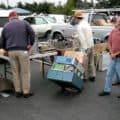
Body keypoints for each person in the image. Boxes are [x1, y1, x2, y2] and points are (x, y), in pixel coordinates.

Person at [0, 11, 35, 98]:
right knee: (25, 72)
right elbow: (32, 33)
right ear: (17, 16)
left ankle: (18, 91)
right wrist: (31, 43)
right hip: (23, 50)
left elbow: (2, 41)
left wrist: (5, 49)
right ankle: (26, 92)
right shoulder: (24, 23)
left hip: (11, 52)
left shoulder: (6, 26)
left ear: (10, 18)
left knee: (15, 72)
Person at [99, 17, 120, 98]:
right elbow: (109, 43)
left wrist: (115, 54)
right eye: (117, 22)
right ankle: (106, 90)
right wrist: (111, 53)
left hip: (118, 58)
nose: (117, 24)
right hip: (112, 58)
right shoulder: (113, 31)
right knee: (109, 75)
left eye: (118, 23)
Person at [72, 11, 96, 82]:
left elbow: (82, 39)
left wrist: (84, 50)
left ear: (77, 18)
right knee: (91, 62)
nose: (74, 20)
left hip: (85, 46)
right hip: (91, 44)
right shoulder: (86, 23)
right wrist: (76, 36)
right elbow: (86, 34)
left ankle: (84, 77)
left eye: (74, 18)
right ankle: (92, 76)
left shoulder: (79, 26)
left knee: (82, 62)